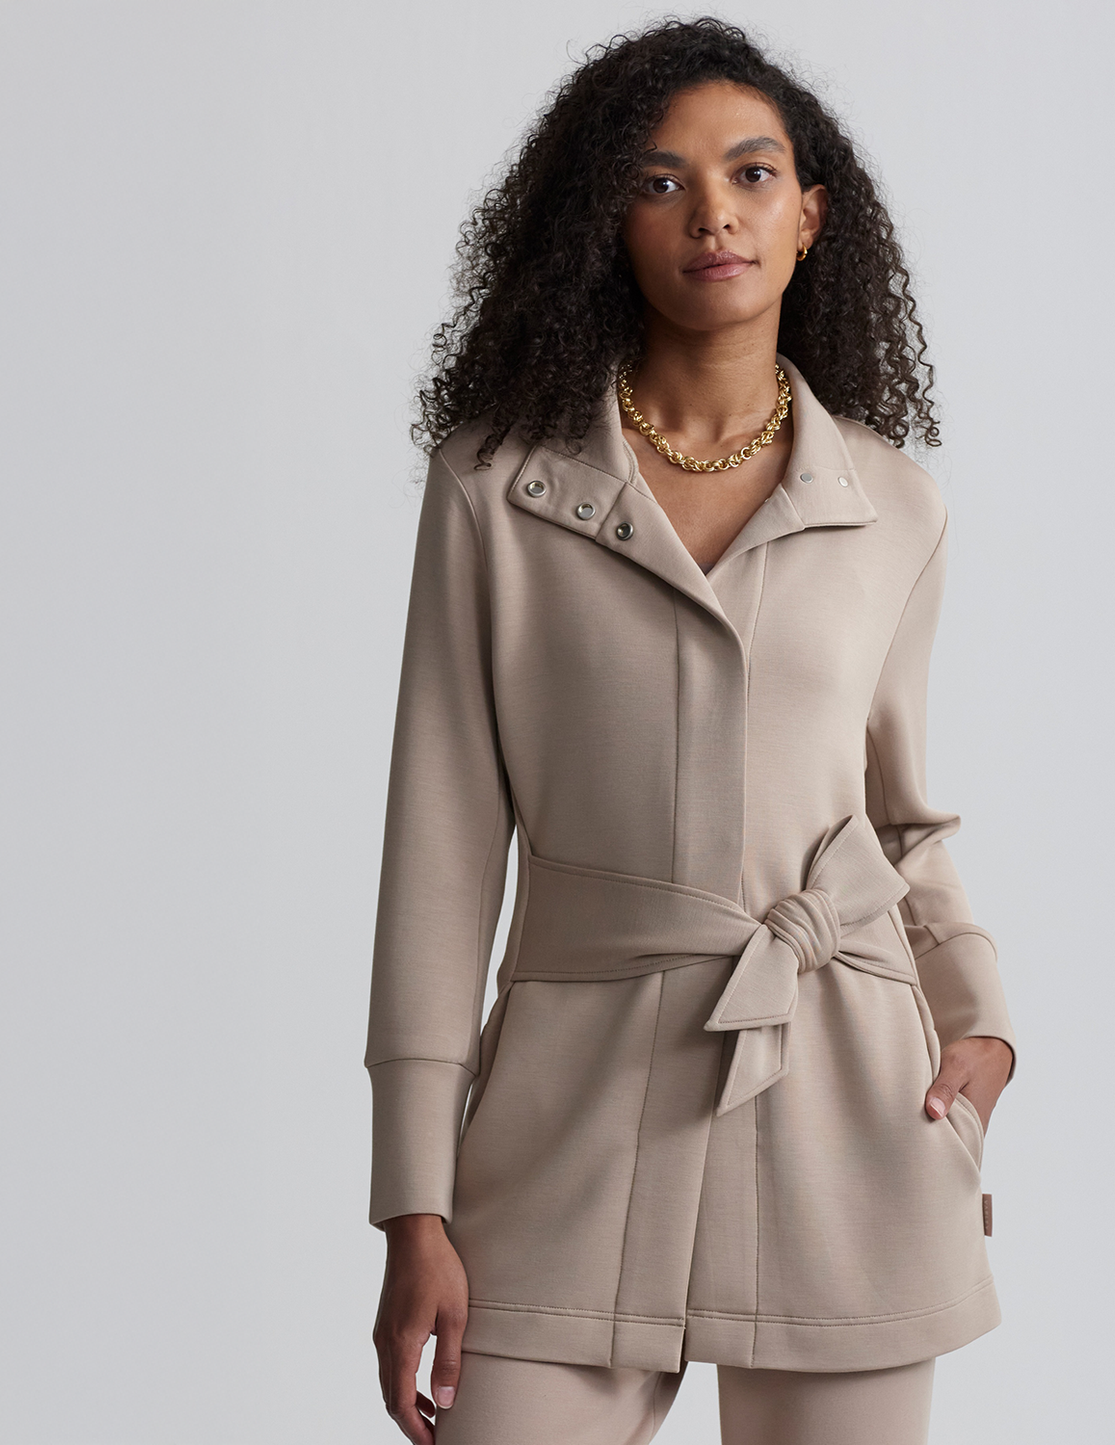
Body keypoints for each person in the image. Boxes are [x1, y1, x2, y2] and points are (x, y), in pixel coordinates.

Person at [365, 17, 1019, 1445]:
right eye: (659, 181)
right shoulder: (495, 490)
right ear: (604, 223)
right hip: (571, 1111)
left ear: (810, 216)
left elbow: (898, 816)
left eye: (751, 173)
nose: (713, 212)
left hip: (852, 1099)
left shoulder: (896, 508)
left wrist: (982, 1022)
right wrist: (413, 1198)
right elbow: (440, 854)